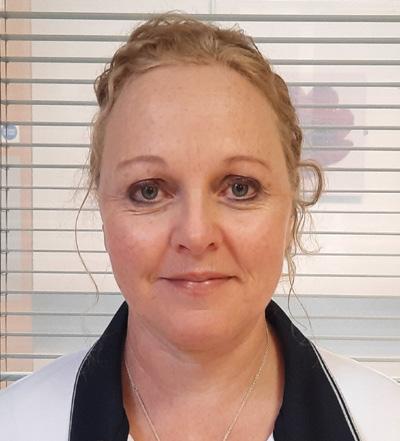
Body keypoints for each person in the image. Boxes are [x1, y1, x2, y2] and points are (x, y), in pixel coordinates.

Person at [0, 11, 399, 441]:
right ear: (103, 207)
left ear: (291, 206)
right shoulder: (14, 424)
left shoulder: (387, 420)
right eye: (148, 191)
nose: (195, 234)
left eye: (240, 188)